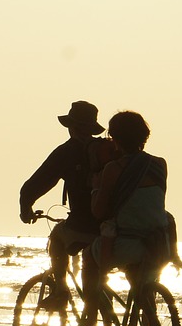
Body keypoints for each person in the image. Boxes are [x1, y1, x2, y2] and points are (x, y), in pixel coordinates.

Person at [80, 111, 172, 326]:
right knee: (139, 279)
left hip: (125, 244)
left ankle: (98, 319)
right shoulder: (160, 164)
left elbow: (99, 211)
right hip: (156, 244)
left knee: (88, 257)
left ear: (114, 138)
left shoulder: (113, 169)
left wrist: (97, 186)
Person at [18, 101, 115, 309]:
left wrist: (25, 209)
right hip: (113, 225)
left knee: (57, 238)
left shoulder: (67, 152)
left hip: (84, 224)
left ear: (70, 126)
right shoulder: (106, 151)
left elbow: (36, 183)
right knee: (98, 273)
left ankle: (61, 291)